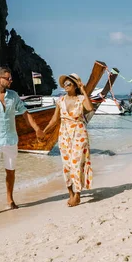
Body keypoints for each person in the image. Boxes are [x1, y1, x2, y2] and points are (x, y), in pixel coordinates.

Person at [0, 66, 45, 218]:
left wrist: (37, 129)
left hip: (11, 140)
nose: (11, 80)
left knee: (10, 172)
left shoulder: (13, 96)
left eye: (11, 78)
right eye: (8, 78)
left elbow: (25, 113)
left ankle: (10, 199)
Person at [43, 73, 94, 207]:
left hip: (79, 132)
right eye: (64, 84)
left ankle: (77, 194)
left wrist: (83, 90)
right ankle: (70, 192)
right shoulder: (60, 100)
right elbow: (55, 119)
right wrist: (44, 132)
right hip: (64, 134)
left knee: (76, 164)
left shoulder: (81, 98)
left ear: (75, 86)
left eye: (69, 84)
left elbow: (89, 109)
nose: (65, 86)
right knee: (66, 165)